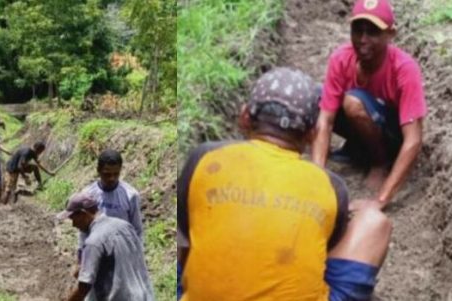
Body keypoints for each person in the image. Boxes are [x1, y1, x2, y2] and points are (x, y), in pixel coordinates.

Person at [177, 67, 392, 300]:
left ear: (244, 117)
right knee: (373, 222)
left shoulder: (205, 159)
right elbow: (324, 255)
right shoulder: (331, 186)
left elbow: (185, 243)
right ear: (312, 134)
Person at [312, 0, 426, 209]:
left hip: (393, 134)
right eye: (358, 30)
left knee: (353, 103)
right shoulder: (341, 58)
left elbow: (414, 140)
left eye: (373, 32)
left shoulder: (404, 68)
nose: (363, 40)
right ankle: (357, 150)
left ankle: (380, 163)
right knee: (312, 99)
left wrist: (380, 201)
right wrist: (316, 180)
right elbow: (325, 120)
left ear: (390, 34)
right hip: (364, 122)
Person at [57, 191, 154, 301]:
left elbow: (84, 287)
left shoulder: (93, 242)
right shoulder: (124, 225)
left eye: (73, 219)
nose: (74, 225)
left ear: (83, 213)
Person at [73, 149, 144, 283]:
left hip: (121, 255)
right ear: (98, 171)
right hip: (95, 254)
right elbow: (83, 231)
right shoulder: (88, 194)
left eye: (116, 174)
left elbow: (137, 230)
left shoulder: (130, 195)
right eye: (107, 174)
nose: (112, 178)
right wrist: (80, 259)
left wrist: (137, 260)